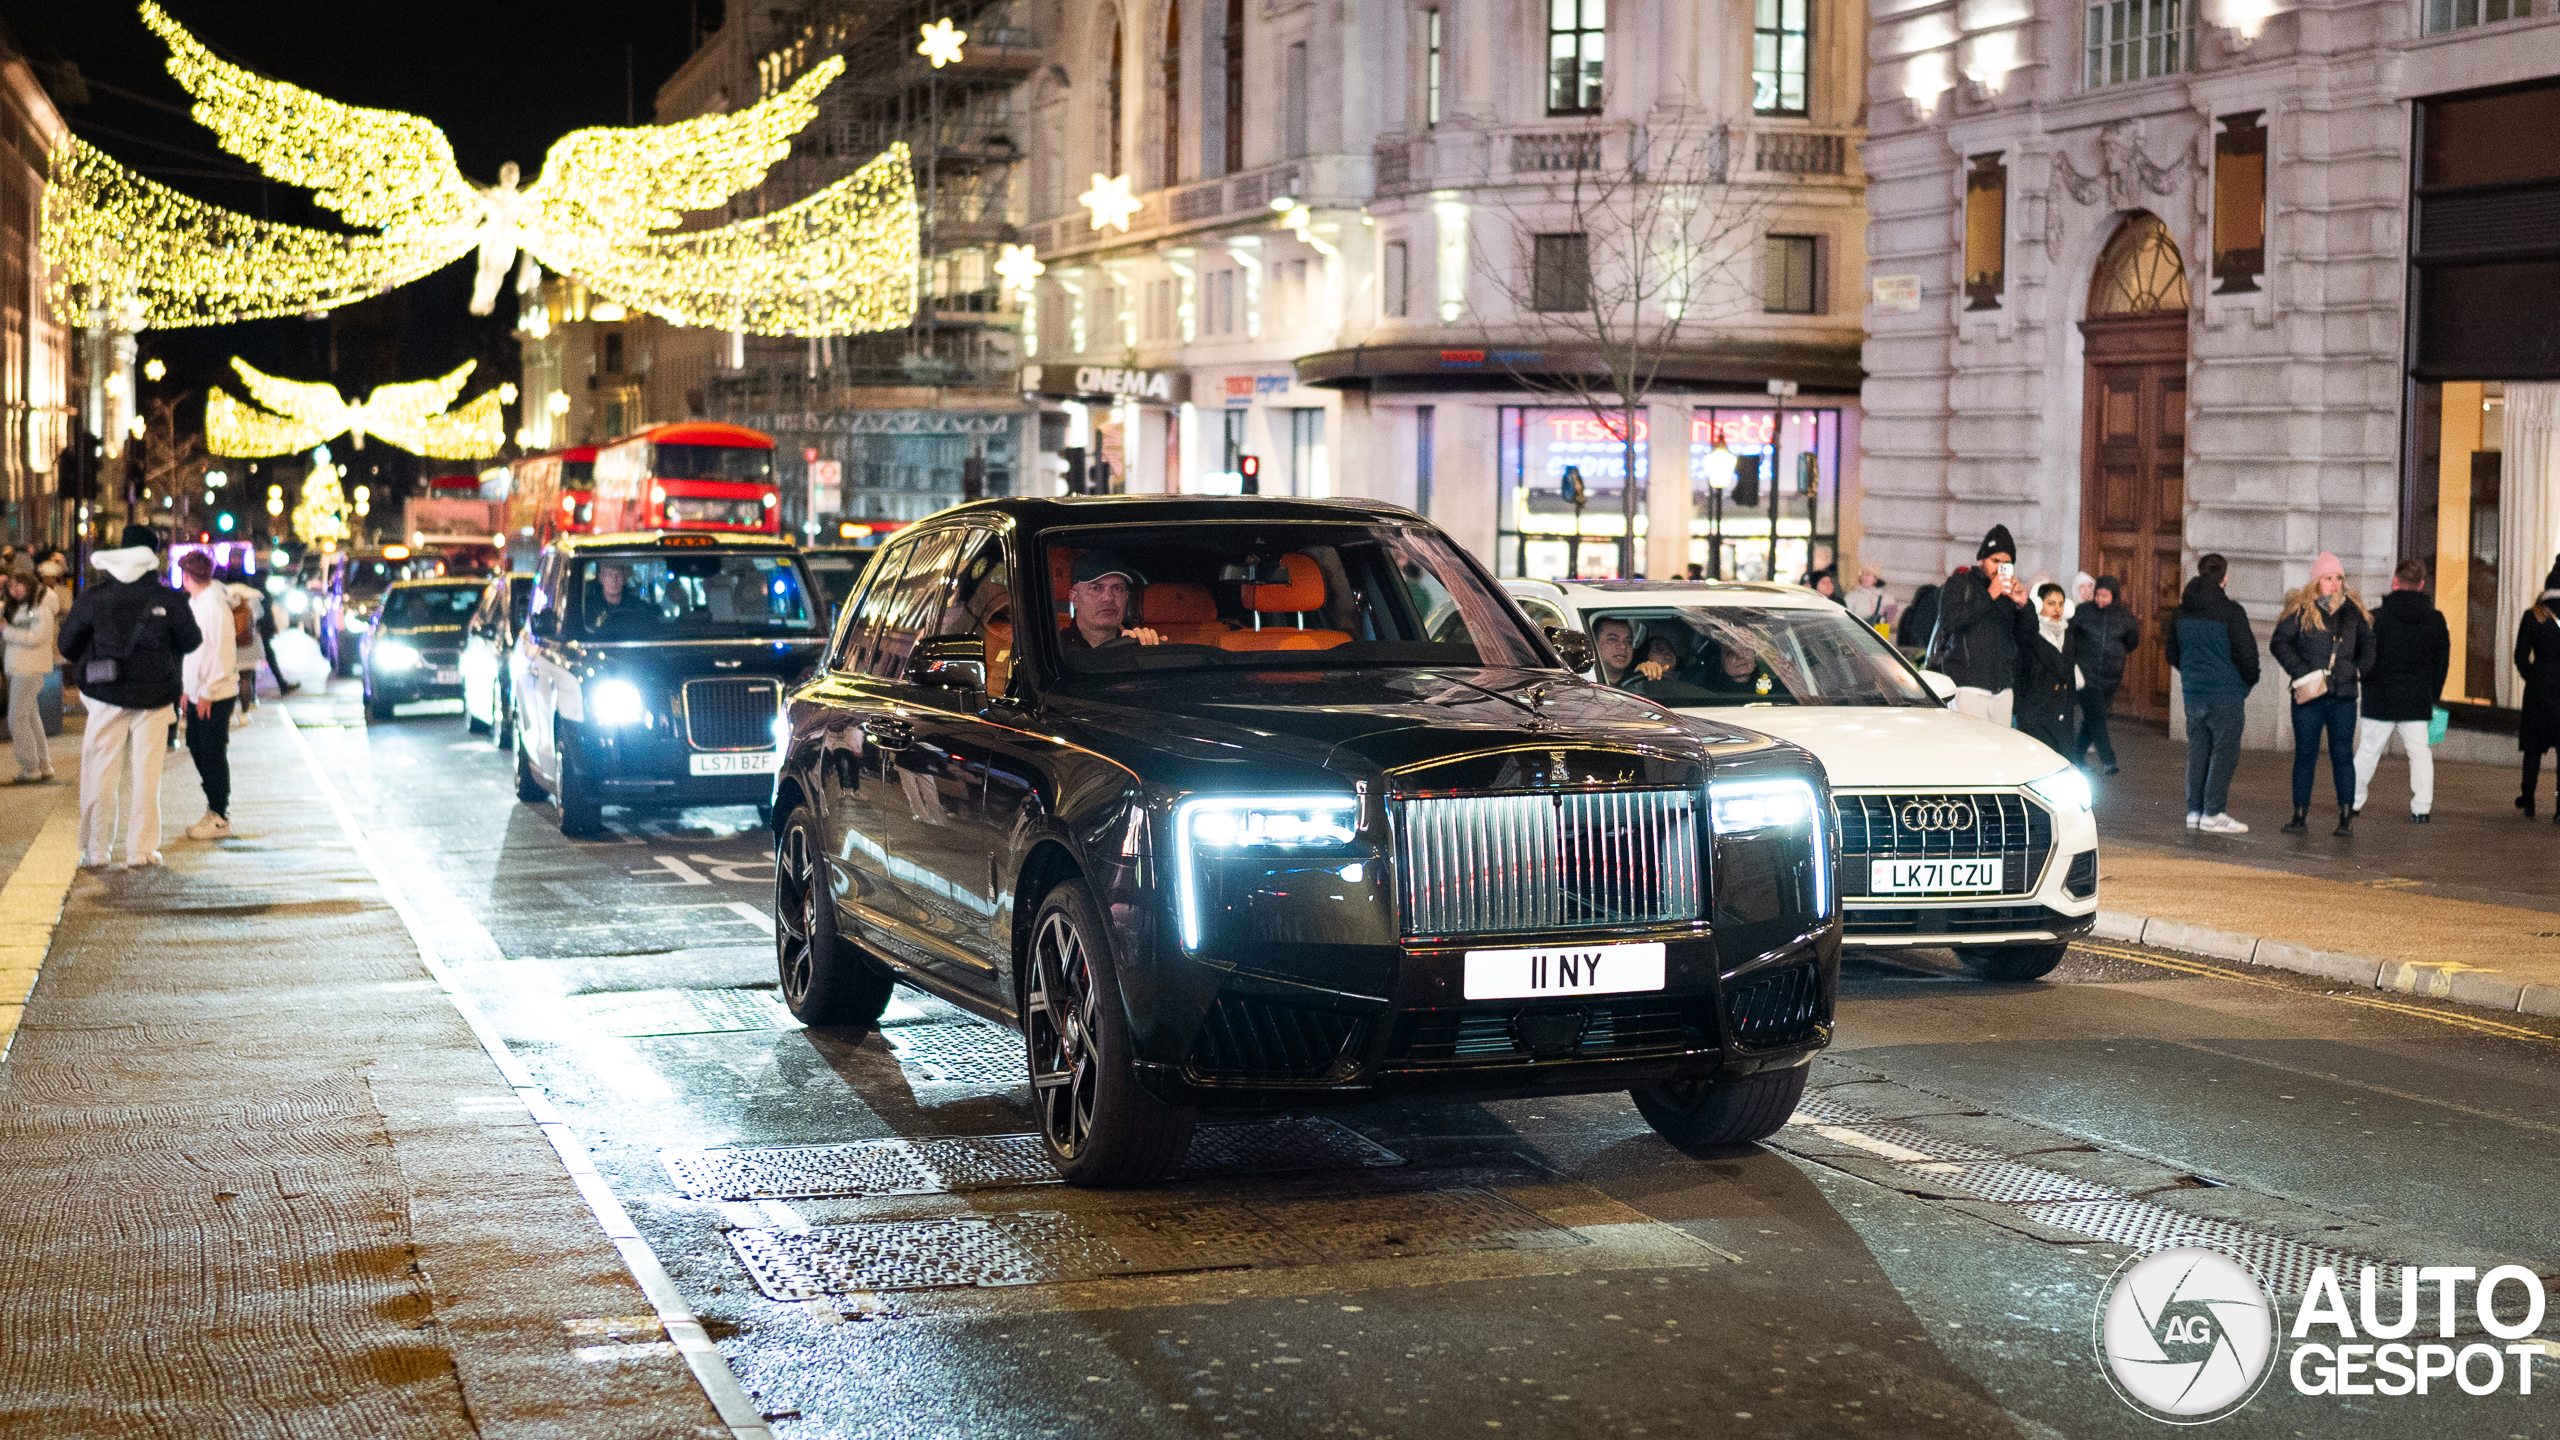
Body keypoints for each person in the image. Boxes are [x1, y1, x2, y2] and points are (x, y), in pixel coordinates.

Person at [59, 525, 202, 868]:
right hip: (154, 697)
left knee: (100, 774)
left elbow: (67, 644)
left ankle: (97, 850)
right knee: (146, 775)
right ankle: (140, 850)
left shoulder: (95, 597)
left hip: (105, 694)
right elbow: (191, 641)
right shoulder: (168, 598)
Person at [2270, 552, 2376, 837]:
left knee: (2342, 755)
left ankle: (2345, 818)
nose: (2334, 584)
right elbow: (2279, 642)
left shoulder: (2354, 612)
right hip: (2310, 696)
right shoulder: (2302, 612)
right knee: (2305, 754)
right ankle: (2299, 815)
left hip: (2342, 695)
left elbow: (2369, 647)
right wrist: (2301, 671)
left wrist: (2357, 670)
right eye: (2328, 578)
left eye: (2338, 578)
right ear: (2316, 580)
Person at [2166, 553, 2259, 834]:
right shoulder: (2231, 612)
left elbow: (2173, 653)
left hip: (2194, 692)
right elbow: (2248, 657)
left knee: (2198, 750)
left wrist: (2193, 675)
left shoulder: (2181, 612)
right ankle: (2214, 812)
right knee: (2224, 752)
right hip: (2226, 693)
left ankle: (2195, 811)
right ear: (2224, 578)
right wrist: (2244, 684)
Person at [2353, 559, 2450, 824]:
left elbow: (2362, 656)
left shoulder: (2375, 618)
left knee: (2368, 750)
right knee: (2419, 752)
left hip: (2380, 695)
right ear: (2421, 584)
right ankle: (2422, 808)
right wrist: (2433, 693)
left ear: (2395, 582)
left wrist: (2368, 679)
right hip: (2416, 696)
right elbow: (2441, 662)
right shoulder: (2435, 619)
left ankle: (2352, 802)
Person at [1927, 524, 2036, 723]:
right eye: (1995, 561)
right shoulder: (1960, 584)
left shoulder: (2008, 593)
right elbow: (1950, 621)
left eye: (2007, 563)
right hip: (1967, 686)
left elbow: (2027, 637)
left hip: (2002, 688)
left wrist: (2024, 605)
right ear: (1982, 559)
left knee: (1999, 749)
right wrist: (1989, 596)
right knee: (1970, 749)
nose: (1999, 568)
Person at [176, 552, 240, 840]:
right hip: (200, 690)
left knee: (211, 749)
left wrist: (207, 692)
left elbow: (221, 651)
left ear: (188, 576)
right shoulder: (198, 603)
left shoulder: (213, 605)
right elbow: (194, 653)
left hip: (215, 692)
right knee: (197, 743)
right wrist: (188, 689)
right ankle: (215, 809)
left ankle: (218, 813)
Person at [2066, 574, 2140, 774]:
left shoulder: (2124, 616)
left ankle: (2077, 756)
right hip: (2086, 674)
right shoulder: (2083, 612)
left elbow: (2132, 641)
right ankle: (2109, 760)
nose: (2100, 599)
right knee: (2097, 717)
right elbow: (2070, 635)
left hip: (2111, 676)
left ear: (2113, 596)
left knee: (2092, 717)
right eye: (2098, 594)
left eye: (2105, 595)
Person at [1, 565, 58, 782]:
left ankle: (29, 768)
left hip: (29, 670)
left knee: (17, 717)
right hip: (20, 669)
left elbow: (38, 637)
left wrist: (7, 631)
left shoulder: (40, 609)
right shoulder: (20, 609)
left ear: (29, 584)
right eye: (11, 587)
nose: (14, 590)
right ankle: (43, 766)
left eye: (18, 585)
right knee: (31, 717)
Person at [2515, 557, 2560, 820]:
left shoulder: (2532, 616)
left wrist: (2533, 677)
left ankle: (2529, 800)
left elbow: (2520, 656)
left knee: (2532, 750)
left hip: (2538, 690)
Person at [2015, 583, 2081, 758]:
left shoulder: (2069, 634)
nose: (2057, 609)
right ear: (2039, 604)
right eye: (2051, 603)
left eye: (2060, 604)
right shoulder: (2031, 634)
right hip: (2036, 711)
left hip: (2062, 711)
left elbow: (2069, 674)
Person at [1060, 552, 1161, 649]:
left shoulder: (1137, 646)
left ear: (1126, 597)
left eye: (1117, 588)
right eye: (1095, 588)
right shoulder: (1054, 649)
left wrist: (1148, 654)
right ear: (1075, 598)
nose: (1108, 598)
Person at [582, 561, 658, 636]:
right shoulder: (587, 607)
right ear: (601, 579)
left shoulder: (638, 606)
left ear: (624, 580)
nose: (614, 580)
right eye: (609, 575)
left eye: (618, 575)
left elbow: (651, 627)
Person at [1590, 616, 1643, 686]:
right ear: (1594, 644)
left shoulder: (1639, 680)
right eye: (1613, 640)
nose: (1623, 647)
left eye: (1629, 642)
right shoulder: (1585, 679)